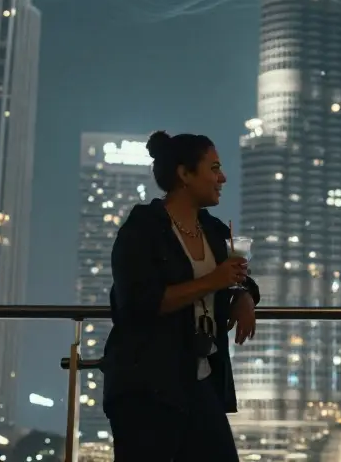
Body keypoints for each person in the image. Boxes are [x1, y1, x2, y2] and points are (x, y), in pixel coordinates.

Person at [102, 130, 261, 461]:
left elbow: (240, 277)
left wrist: (244, 296)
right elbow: (138, 304)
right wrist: (213, 281)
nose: (223, 177)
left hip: (199, 377)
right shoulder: (143, 228)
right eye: (214, 168)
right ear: (184, 174)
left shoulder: (214, 231)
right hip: (147, 385)